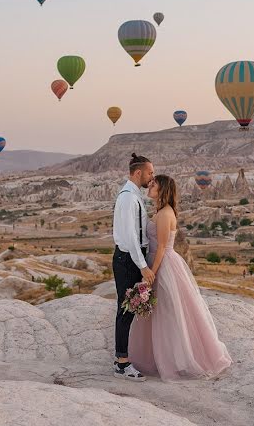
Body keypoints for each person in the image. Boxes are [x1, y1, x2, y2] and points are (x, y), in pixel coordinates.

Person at [128, 175, 232, 380]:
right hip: (157, 264)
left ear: (163, 189)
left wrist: (151, 274)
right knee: (158, 313)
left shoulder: (166, 214)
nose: (150, 185)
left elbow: (162, 249)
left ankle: (177, 359)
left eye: (154, 184)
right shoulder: (160, 211)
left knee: (168, 313)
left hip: (163, 266)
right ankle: (159, 357)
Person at [112, 153, 155, 382]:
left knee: (127, 309)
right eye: (150, 172)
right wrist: (143, 267)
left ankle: (121, 358)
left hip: (129, 258)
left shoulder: (133, 195)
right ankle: (122, 363)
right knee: (126, 309)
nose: (152, 177)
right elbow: (130, 237)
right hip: (128, 259)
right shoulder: (129, 197)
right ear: (138, 173)